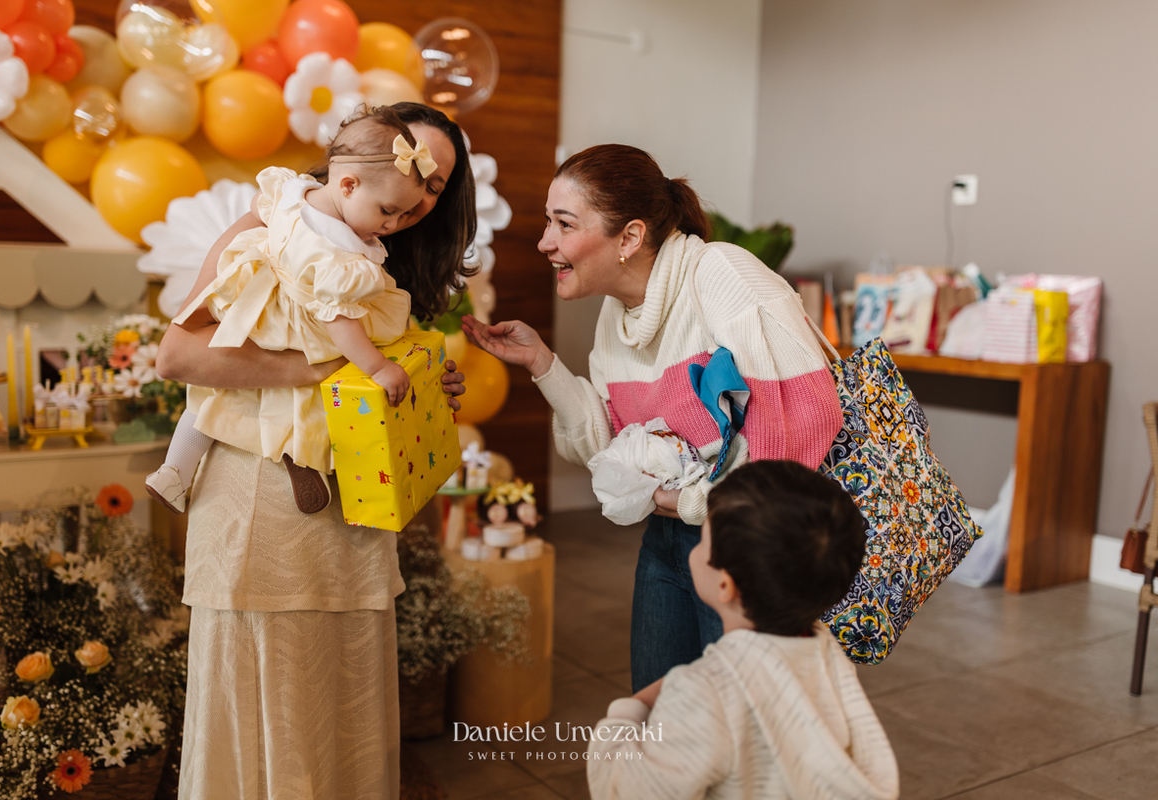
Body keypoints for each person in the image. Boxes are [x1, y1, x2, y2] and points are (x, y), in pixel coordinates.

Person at [155, 102, 475, 800]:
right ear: (358, 170)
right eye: (410, 162)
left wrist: (423, 384)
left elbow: (376, 382)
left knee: (345, 699)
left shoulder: (387, 256)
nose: (420, 191)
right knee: (263, 697)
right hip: (260, 502)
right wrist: (336, 371)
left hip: (354, 512)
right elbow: (177, 352)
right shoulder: (277, 225)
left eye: (436, 183)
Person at [462, 144, 843, 690]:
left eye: (564, 223)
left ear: (631, 237)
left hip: (751, 549)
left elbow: (800, 431)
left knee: (740, 737)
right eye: (549, 222)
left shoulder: (723, 276)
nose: (545, 241)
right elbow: (612, 448)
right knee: (662, 717)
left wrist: (680, 501)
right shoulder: (616, 314)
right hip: (669, 543)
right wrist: (543, 364)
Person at [147, 105, 441, 516]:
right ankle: (300, 459)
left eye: (404, 212)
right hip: (293, 323)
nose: (392, 225)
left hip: (247, 307)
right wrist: (377, 367)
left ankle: (175, 468)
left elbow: (263, 209)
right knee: (305, 398)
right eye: (388, 211)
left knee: (216, 391)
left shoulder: (293, 193)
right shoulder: (333, 255)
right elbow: (337, 318)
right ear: (349, 185)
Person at [586, 460, 900, 800]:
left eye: (703, 539)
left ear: (725, 584)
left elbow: (629, 790)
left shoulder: (703, 692)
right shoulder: (827, 652)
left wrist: (627, 716)